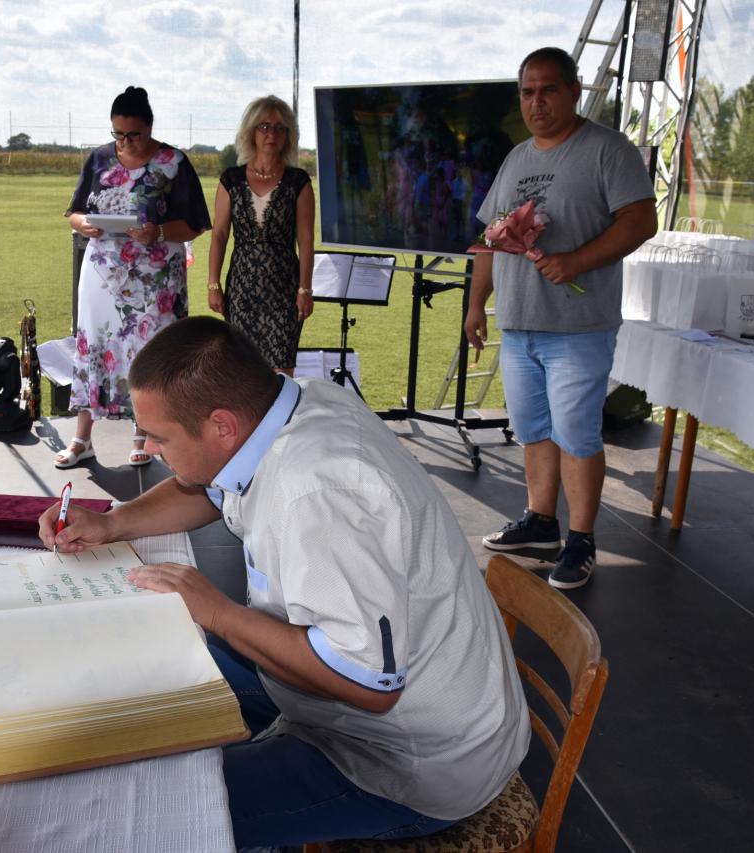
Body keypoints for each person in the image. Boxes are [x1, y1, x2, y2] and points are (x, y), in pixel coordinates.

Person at [40, 317, 529, 848]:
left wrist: (216, 611)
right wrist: (112, 524)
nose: (150, 448)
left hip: (406, 762)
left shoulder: (320, 491)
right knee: (147, 687)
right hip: (343, 703)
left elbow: (368, 686)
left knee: (159, 815)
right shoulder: (289, 405)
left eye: (159, 437)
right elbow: (208, 488)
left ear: (221, 426)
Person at [465, 47, 657, 589]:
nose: (537, 102)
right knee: (532, 429)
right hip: (519, 323)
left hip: (578, 328)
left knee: (575, 434)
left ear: (574, 91)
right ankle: (541, 523)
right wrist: (476, 304)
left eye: (548, 89)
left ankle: (581, 540)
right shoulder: (517, 158)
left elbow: (642, 220)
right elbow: (491, 238)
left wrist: (577, 260)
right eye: (527, 92)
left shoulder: (607, 149)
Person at [59, 86, 211, 468]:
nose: (125, 143)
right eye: (118, 134)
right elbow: (73, 212)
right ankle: (82, 438)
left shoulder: (173, 163)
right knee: (93, 345)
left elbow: (195, 224)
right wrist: (84, 224)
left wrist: (157, 232)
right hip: (102, 273)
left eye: (133, 135)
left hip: (155, 278)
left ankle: (143, 434)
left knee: (150, 351)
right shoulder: (98, 159)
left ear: (150, 128)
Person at [208, 95, 315, 373]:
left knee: (281, 374)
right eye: (264, 126)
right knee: (241, 371)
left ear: (288, 136)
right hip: (241, 289)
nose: (272, 134)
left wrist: (305, 289)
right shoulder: (230, 180)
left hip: (285, 291)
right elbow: (219, 235)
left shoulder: (298, 182)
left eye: (280, 128)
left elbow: (306, 241)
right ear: (251, 132)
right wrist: (213, 284)